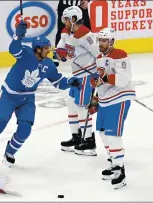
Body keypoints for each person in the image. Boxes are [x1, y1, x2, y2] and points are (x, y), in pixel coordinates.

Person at [0, 21, 81, 167]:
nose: (49, 51)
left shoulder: (49, 64)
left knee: (25, 129)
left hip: (27, 99)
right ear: (38, 49)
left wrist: (71, 81)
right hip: (8, 95)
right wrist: (18, 35)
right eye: (46, 48)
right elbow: (13, 49)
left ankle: (9, 153)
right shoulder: (26, 54)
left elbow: (58, 82)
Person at [89, 28, 136, 189]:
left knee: (113, 134)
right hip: (105, 99)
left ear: (112, 41)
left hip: (120, 97)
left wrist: (104, 78)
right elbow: (99, 80)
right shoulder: (98, 58)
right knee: (102, 131)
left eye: (104, 40)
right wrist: (95, 95)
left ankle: (120, 169)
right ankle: (113, 160)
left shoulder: (120, 54)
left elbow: (123, 78)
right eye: (100, 40)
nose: (101, 43)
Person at [54, 6, 99, 156]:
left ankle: (89, 141)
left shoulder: (86, 35)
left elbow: (99, 54)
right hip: (77, 74)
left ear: (74, 19)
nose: (64, 22)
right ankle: (76, 136)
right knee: (71, 102)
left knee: (82, 105)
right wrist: (60, 54)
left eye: (66, 19)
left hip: (88, 74)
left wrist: (99, 74)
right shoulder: (67, 33)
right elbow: (61, 51)